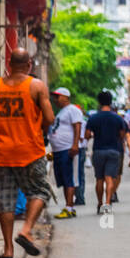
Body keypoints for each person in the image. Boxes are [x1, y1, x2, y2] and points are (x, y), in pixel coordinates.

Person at [0, 47, 56, 258]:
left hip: (3, 152)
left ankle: (8, 249)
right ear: (29, 65)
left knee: (5, 201)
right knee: (40, 191)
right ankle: (26, 230)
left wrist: (2, 125)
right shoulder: (37, 86)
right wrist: (33, 124)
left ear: (9, 65)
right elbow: (49, 118)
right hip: (30, 151)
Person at [85, 91, 130, 214]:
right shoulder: (117, 118)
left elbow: (87, 135)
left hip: (98, 150)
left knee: (99, 179)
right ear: (111, 102)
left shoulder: (93, 118)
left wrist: (95, 134)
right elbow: (122, 135)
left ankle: (99, 203)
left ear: (99, 102)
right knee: (110, 178)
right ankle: (107, 203)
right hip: (114, 150)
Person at [48, 87, 84, 219]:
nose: (55, 99)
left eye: (58, 96)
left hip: (68, 149)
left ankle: (69, 207)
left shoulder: (73, 110)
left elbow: (77, 126)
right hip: (59, 150)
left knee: (70, 179)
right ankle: (69, 206)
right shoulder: (61, 112)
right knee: (63, 179)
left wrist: (75, 145)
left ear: (65, 97)